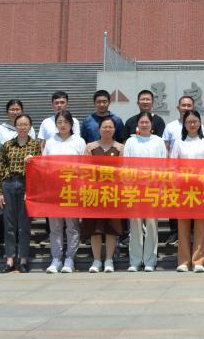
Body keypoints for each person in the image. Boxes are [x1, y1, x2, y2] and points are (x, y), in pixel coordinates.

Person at [169, 109, 204, 272]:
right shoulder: (179, 141)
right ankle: (183, 261)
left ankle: (198, 261)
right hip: (183, 188)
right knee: (183, 225)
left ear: (200, 123)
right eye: (189, 122)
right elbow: (173, 165)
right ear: (184, 124)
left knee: (200, 225)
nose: (192, 124)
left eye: (195, 121)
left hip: (201, 188)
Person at [0, 112, 39, 273]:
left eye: (25, 125)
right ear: (15, 126)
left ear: (30, 127)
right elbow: (1, 168)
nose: (22, 127)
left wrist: (32, 190)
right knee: (9, 224)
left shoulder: (35, 145)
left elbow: (38, 170)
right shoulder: (7, 145)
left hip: (26, 185)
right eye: (19, 124)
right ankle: (10, 259)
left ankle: (23, 259)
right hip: (8, 184)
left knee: (24, 225)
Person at [122, 112, 167, 272]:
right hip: (134, 188)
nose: (144, 125)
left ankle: (150, 260)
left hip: (153, 188)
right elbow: (126, 165)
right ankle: (135, 260)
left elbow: (163, 165)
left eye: (147, 122)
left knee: (152, 225)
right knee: (135, 225)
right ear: (137, 124)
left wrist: (161, 186)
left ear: (152, 124)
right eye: (142, 122)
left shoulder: (158, 141)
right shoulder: (131, 141)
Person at [43, 110, 86, 273]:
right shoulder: (50, 142)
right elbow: (44, 165)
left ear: (71, 124)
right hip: (54, 189)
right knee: (55, 226)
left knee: (72, 225)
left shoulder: (79, 141)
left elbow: (84, 166)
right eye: (59, 122)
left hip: (72, 189)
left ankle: (69, 259)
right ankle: (56, 258)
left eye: (65, 122)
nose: (62, 125)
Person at [82, 117, 124, 273]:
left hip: (112, 193)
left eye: (110, 127)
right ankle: (96, 260)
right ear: (99, 129)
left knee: (111, 228)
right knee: (95, 229)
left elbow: (123, 171)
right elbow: (85, 170)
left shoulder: (120, 148)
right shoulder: (90, 147)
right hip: (94, 193)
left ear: (114, 129)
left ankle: (109, 260)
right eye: (104, 127)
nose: (107, 129)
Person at [161, 95, 197, 245]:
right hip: (175, 173)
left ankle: (193, 232)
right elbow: (166, 147)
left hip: (195, 175)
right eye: (183, 105)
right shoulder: (171, 126)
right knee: (174, 202)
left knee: (193, 202)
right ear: (178, 108)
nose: (186, 108)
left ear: (193, 107)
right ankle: (175, 232)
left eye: (189, 105)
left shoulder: (199, 127)